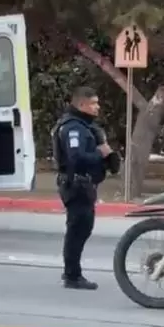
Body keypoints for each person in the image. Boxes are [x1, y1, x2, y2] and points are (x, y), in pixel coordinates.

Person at [52, 86, 118, 290]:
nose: (97, 107)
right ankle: (72, 275)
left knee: (82, 229)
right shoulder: (73, 128)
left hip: (84, 185)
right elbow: (76, 158)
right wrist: (100, 153)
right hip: (76, 185)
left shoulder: (84, 126)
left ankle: (72, 272)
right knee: (77, 229)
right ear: (81, 104)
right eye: (93, 103)